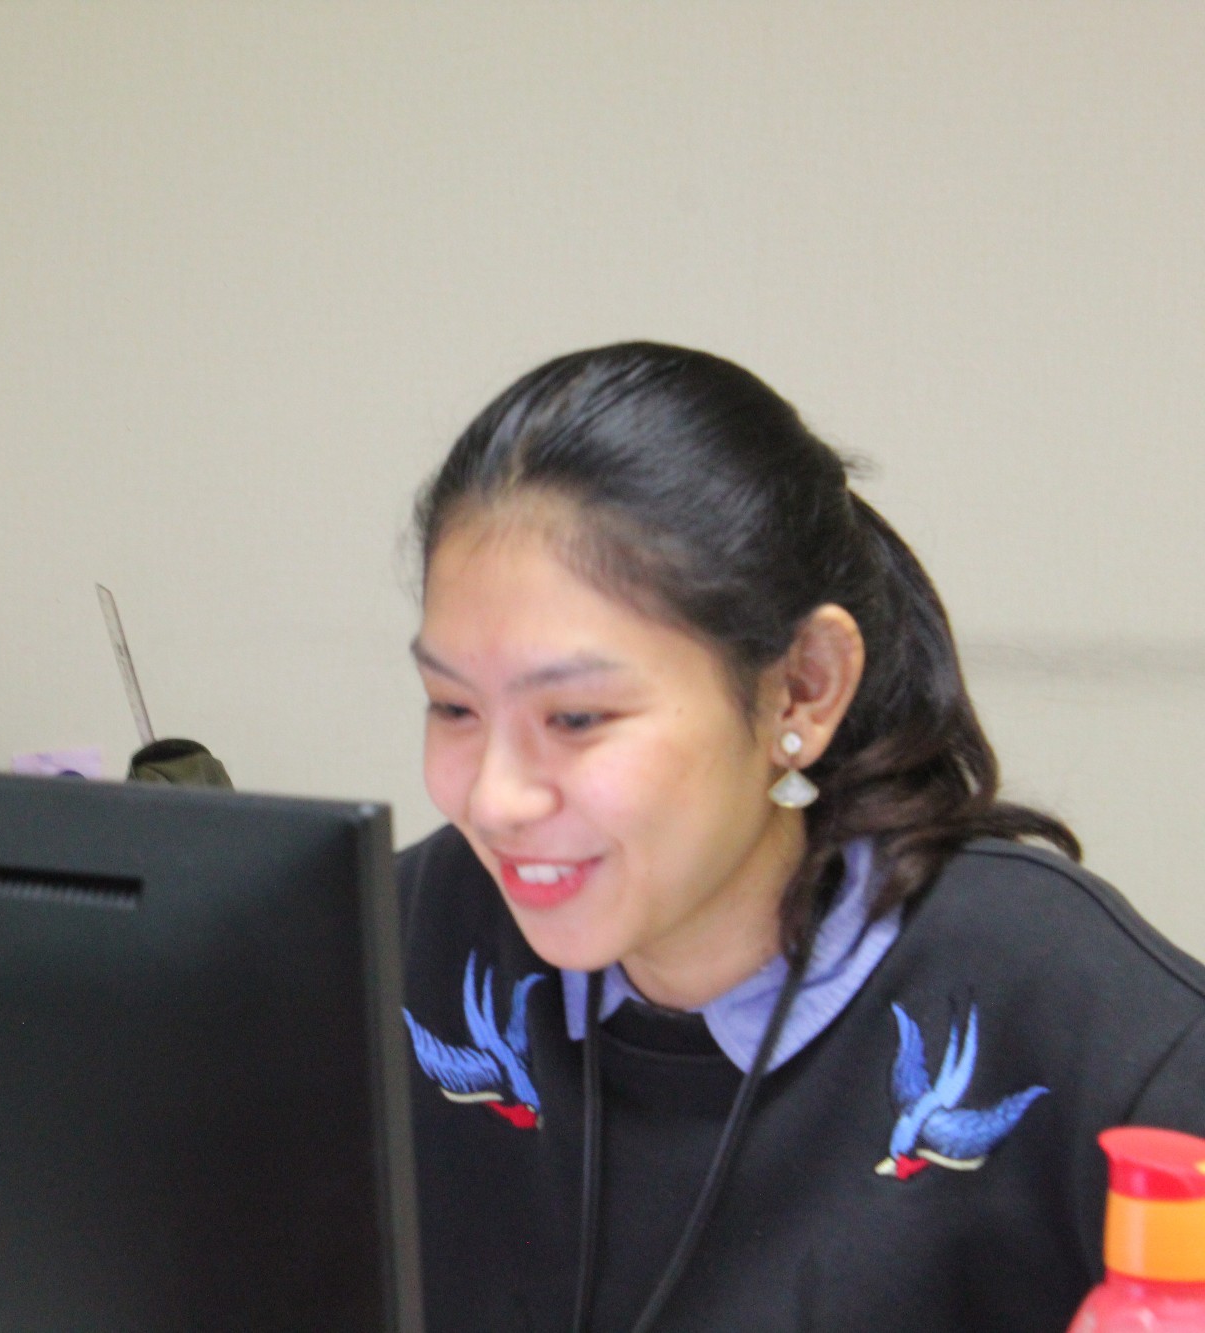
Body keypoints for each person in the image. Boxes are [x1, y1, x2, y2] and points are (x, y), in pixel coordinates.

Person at [396, 342, 1205, 1332]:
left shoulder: (1056, 1000)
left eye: (575, 717)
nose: (494, 798)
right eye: (452, 707)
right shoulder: (391, 941)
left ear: (803, 688)